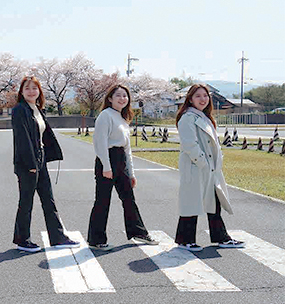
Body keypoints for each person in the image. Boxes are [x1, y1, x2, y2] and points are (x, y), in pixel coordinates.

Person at [11, 76, 80, 252]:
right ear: (21, 91)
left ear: (39, 91)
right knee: (26, 201)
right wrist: (30, 163)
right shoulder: (20, 110)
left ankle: (57, 237)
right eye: (27, 88)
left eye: (35, 88)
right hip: (28, 162)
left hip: (39, 159)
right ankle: (22, 240)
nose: (31, 91)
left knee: (48, 200)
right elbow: (22, 139)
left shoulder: (37, 109)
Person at [174, 84, 245, 251]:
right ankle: (185, 240)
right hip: (196, 168)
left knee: (214, 203)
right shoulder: (187, 117)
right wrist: (203, 162)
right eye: (198, 96)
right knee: (191, 204)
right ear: (190, 99)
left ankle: (221, 237)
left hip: (209, 169)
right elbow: (190, 144)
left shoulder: (204, 117)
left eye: (205, 96)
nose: (202, 99)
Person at [88, 84, 158, 251]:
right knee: (102, 201)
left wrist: (131, 173)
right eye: (118, 95)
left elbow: (127, 149)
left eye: (125, 96)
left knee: (129, 199)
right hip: (107, 160)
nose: (122, 99)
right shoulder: (105, 116)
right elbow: (100, 143)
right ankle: (96, 239)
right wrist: (106, 166)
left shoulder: (123, 118)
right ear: (110, 98)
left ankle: (138, 232)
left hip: (121, 161)